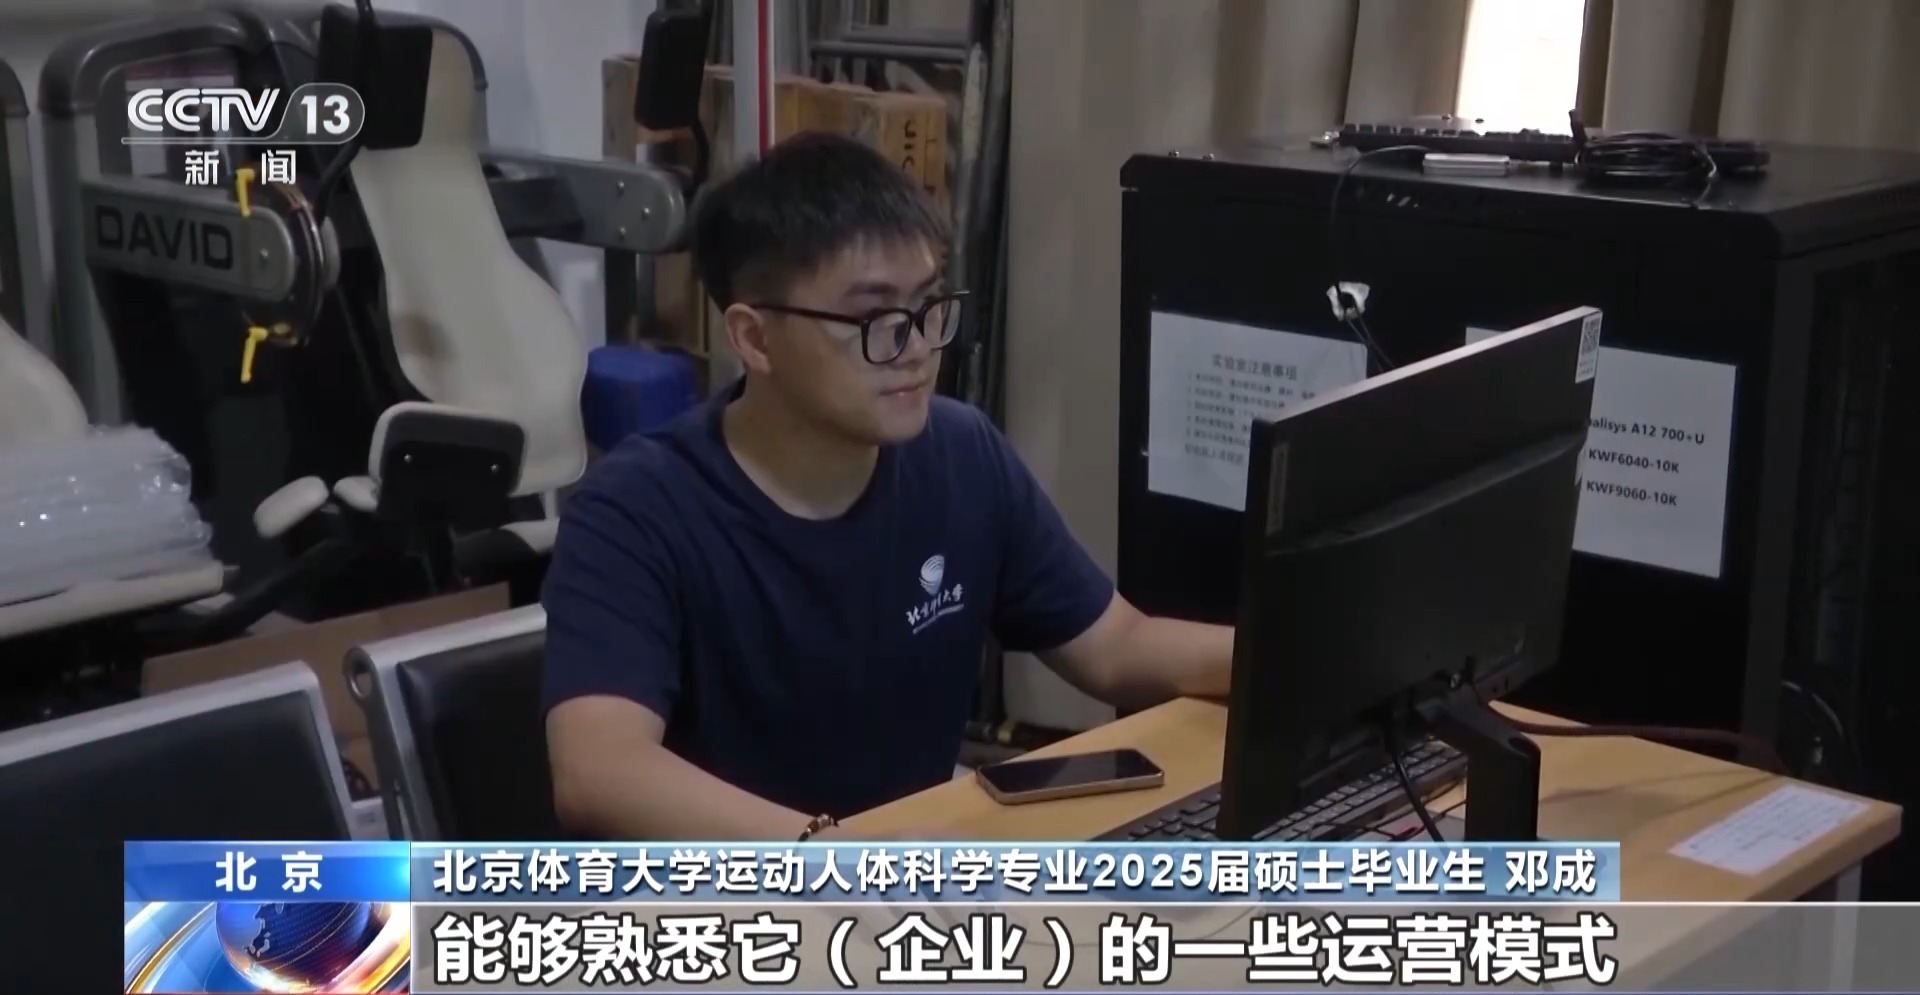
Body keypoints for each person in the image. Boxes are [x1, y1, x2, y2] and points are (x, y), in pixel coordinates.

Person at [542, 132, 1233, 842]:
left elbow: (1116, 645)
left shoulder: (961, 454)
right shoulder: (637, 510)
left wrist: (1285, 660)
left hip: (907, 872)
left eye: (928, 308)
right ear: (754, 337)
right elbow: (600, 770)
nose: (917, 350)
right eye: (875, 319)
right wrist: (836, 854)